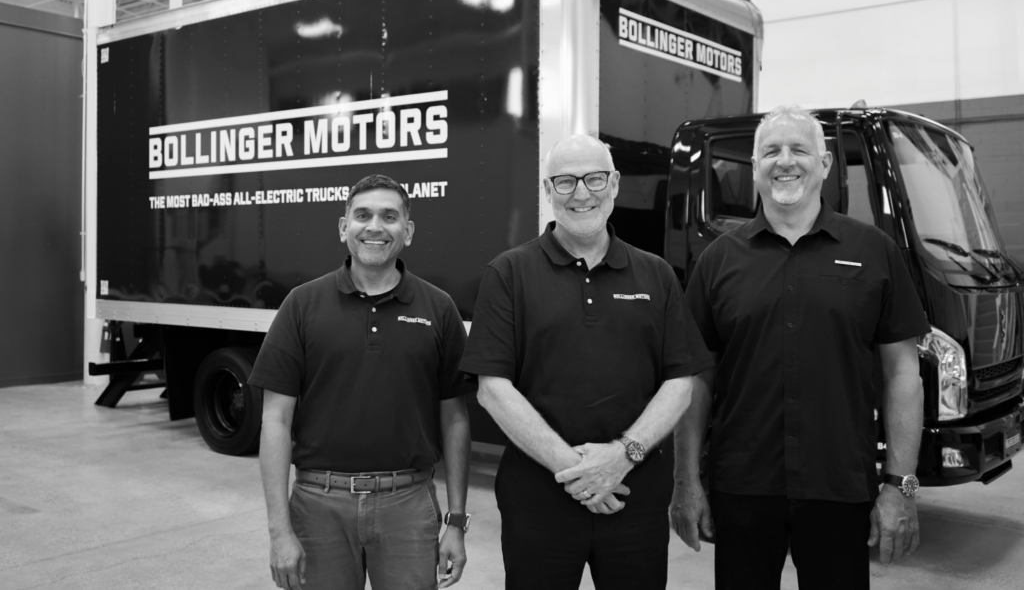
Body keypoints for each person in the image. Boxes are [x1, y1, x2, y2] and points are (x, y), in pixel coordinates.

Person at [672, 105, 931, 589]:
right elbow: (696, 379)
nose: (784, 161)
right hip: (742, 488)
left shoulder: (874, 252)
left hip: (840, 486)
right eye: (770, 151)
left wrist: (901, 487)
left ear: (825, 164)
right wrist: (685, 482)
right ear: (754, 168)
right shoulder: (717, 261)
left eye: (799, 150)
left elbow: (903, 375)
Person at [460, 134, 713, 590]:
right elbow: (492, 389)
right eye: (566, 181)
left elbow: (681, 381)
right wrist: (578, 472)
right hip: (539, 501)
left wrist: (621, 457)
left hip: (633, 497)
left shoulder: (655, 274)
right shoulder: (509, 273)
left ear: (614, 184)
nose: (581, 193)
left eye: (595, 178)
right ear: (548, 190)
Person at [249, 174, 475, 590]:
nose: (375, 227)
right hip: (318, 504)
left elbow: (455, 420)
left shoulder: (438, 308)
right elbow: (275, 421)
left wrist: (456, 522)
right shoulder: (301, 304)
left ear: (406, 232)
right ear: (343, 228)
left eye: (389, 216)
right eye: (362, 215)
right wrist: (279, 531)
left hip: (408, 503)